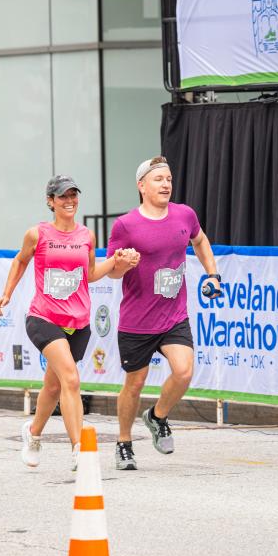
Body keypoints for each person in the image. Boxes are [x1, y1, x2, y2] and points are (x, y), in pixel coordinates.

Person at [0, 175, 138, 470]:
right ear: (51, 202)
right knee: (71, 379)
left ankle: (33, 434)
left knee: (54, 387)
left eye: (73, 195)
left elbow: (92, 273)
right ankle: (79, 451)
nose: (70, 201)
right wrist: (6, 294)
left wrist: (120, 261)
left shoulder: (87, 236)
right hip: (44, 318)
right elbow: (21, 261)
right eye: (62, 196)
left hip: (79, 323)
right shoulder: (37, 234)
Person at [106, 156, 222, 470]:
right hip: (137, 320)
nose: (166, 184)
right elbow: (111, 272)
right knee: (135, 383)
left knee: (184, 371)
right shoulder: (126, 225)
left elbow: (200, 240)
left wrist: (213, 274)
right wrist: (122, 264)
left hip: (173, 316)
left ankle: (157, 416)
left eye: (169, 179)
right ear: (141, 186)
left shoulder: (185, 215)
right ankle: (124, 442)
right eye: (158, 179)